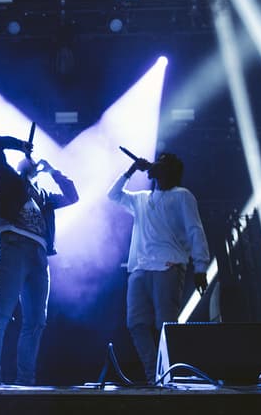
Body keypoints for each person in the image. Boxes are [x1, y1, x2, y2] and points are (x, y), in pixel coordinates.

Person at [107, 152, 209, 384]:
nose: (156, 163)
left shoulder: (182, 196)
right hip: (140, 268)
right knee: (136, 323)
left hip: (168, 265)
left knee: (166, 325)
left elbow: (195, 230)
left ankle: (170, 376)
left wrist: (200, 266)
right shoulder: (142, 198)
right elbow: (113, 195)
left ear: (170, 170)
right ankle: (155, 375)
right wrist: (131, 170)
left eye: (162, 161)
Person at [0, 135, 78, 385]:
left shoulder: (44, 196)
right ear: (18, 165)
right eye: (26, 160)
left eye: (34, 161)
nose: (31, 161)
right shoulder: (8, 181)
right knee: (1, 311)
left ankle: (25, 381)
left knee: (36, 320)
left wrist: (52, 170)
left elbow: (73, 196)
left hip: (39, 255)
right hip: (14, 246)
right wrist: (21, 145)